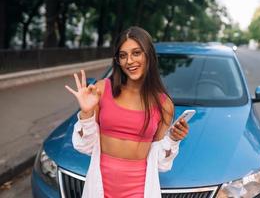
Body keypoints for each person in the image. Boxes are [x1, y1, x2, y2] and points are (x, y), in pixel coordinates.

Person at [65, 26, 189, 198]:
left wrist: (174, 139)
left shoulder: (164, 104)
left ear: (149, 55)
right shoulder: (102, 89)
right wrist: (86, 113)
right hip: (100, 187)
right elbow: (83, 146)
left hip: (139, 190)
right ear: (117, 60)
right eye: (123, 55)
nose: (129, 61)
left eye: (136, 53)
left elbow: (160, 163)